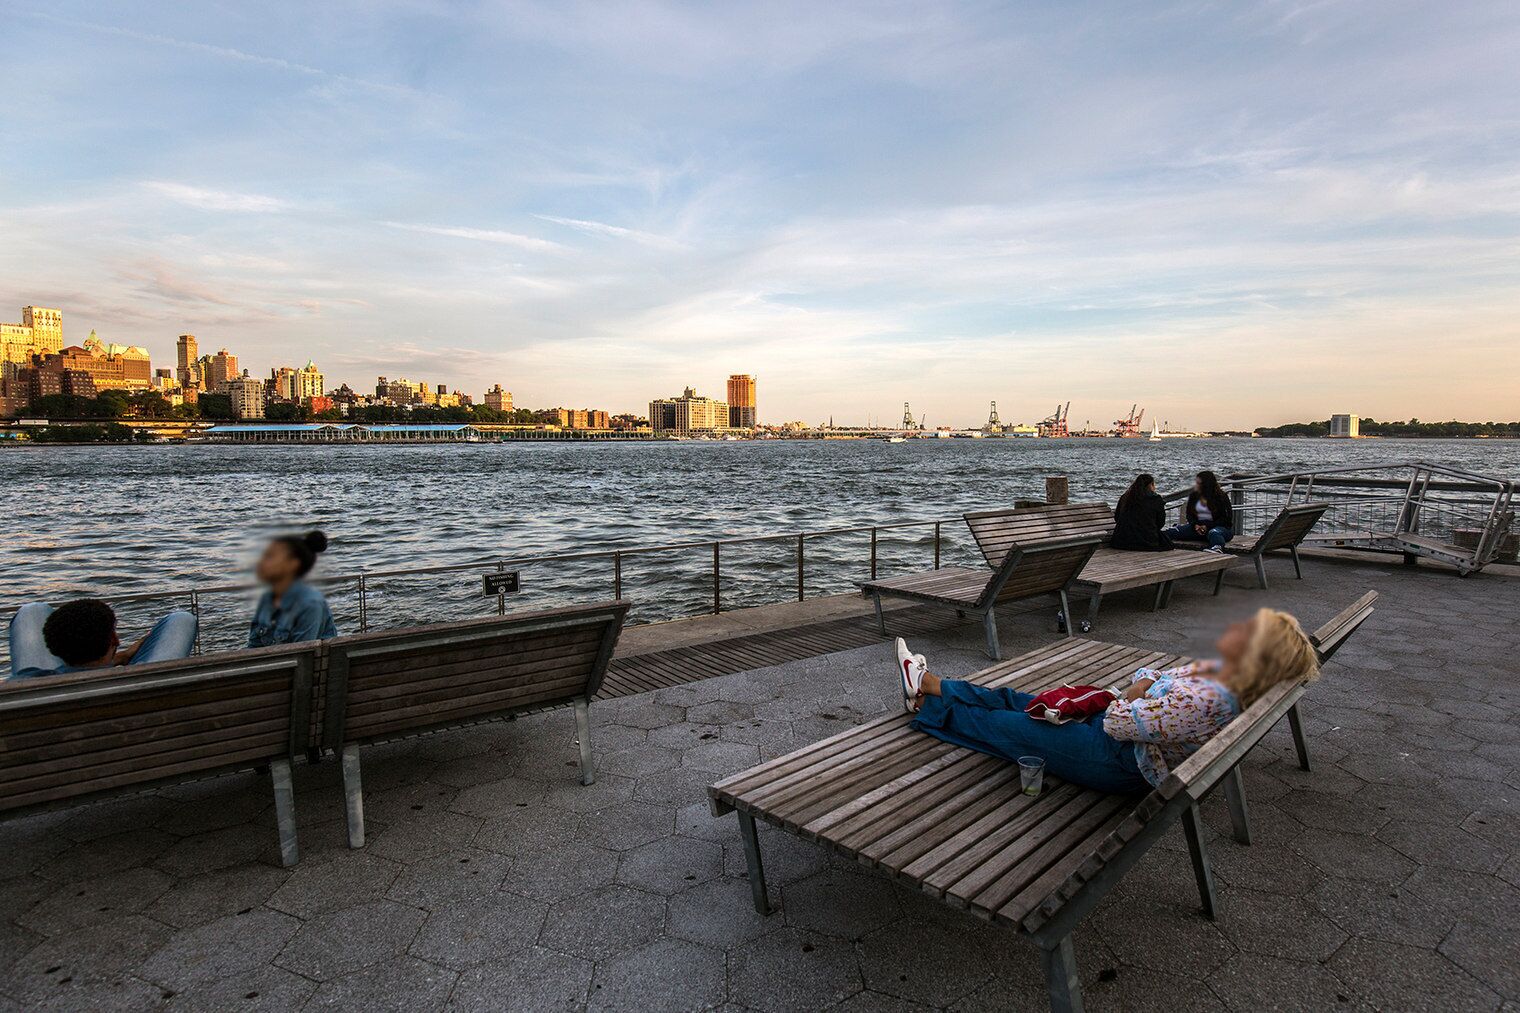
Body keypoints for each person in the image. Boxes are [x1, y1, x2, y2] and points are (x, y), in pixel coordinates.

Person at [891, 609, 1318, 792]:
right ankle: (930, 684)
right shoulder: (1221, 676)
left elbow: (1119, 721)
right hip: (1124, 733)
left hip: (1119, 761)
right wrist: (1139, 693)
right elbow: (1153, 676)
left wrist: (1132, 696)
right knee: (1026, 700)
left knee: (1010, 728)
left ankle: (927, 706)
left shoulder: (1209, 701)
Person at [7, 599, 198, 681]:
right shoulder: (145, 683)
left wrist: (118, 657)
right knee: (181, 619)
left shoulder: (21, 687)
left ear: (52, 648)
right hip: (134, 689)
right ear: (114, 640)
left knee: (32, 610)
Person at [248, 530, 337, 648]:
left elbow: (301, 657)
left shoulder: (310, 604)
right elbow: (253, 647)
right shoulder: (267, 598)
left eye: (271, 557)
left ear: (293, 565)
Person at [1165, 470, 1234, 553]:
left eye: (1199, 483)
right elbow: (1189, 515)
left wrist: (1207, 526)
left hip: (1220, 528)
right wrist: (1195, 525)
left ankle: (1217, 547)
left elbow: (1226, 520)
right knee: (1174, 531)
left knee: (1214, 533)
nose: (1196, 485)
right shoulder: (1194, 496)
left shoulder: (1221, 497)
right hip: (1198, 528)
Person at [1109, 473, 1171, 552]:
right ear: (1151, 485)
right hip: (1146, 543)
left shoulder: (1125, 497)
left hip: (1121, 541)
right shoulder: (1155, 499)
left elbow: (1117, 517)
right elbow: (1160, 523)